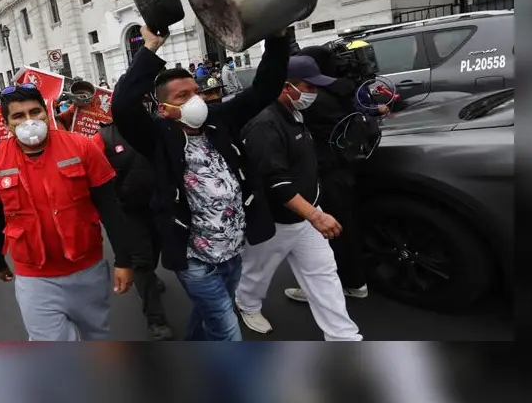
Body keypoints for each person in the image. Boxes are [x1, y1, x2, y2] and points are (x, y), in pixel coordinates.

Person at [111, 25, 291, 341]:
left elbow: (264, 88)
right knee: (225, 327)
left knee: (206, 315)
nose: (195, 100)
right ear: (164, 109)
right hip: (195, 259)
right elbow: (123, 104)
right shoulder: (157, 136)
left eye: (195, 92)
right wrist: (149, 48)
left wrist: (276, 39)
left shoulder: (219, 119)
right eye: (183, 96)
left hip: (232, 250)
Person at [0, 84, 142, 341]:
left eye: (35, 112)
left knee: (95, 336)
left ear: (47, 113)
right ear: (7, 124)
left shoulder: (82, 147)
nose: (29, 121)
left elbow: (109, 207)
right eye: (19, 116)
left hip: (87, 270)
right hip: (34, 277)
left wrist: (124, 260)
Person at [235, 55, 363, 340]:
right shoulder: (265, 124)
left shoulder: (293, 112)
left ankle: (344, 337)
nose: (314, 94)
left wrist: (313, 210)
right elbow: (274, 181)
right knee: (257, 273)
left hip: (306, 217)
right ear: (285, 87)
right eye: (309, 87)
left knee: (324, 275)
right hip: (277, 221)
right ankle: (247, 304)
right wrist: (315, 215)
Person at [283, 45, 378, 302]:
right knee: (346, 227)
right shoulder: (342, 89)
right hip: (343, 167)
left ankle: (340, 285)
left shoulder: (314, 101)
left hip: (325, 173)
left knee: (329, 234)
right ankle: (355, 280)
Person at [93, 116, 174, 341]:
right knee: (142, 261)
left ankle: (149, 276)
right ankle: (156, 320)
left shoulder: (156, 127)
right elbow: (95, 178)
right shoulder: (103, 137)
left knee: (155, 249)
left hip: (157, 206)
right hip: (127, 212)